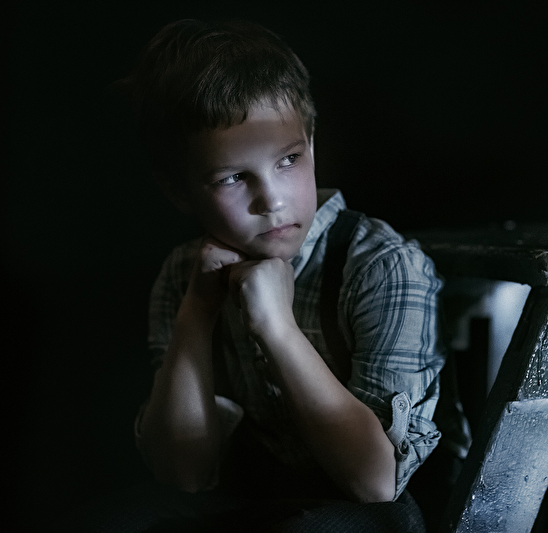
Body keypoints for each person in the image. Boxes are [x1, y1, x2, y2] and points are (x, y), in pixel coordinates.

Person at [60, 18, 467, 532]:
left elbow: (374, 481)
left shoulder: (382, 266)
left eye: (288, 160)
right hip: (257, 496)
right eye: (233, 177)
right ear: (179, 191)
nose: (271, 201)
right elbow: (184, 472)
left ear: (311, 144)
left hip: (375, 507)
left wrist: (276, 327)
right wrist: (198, 311)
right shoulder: (185, 276)